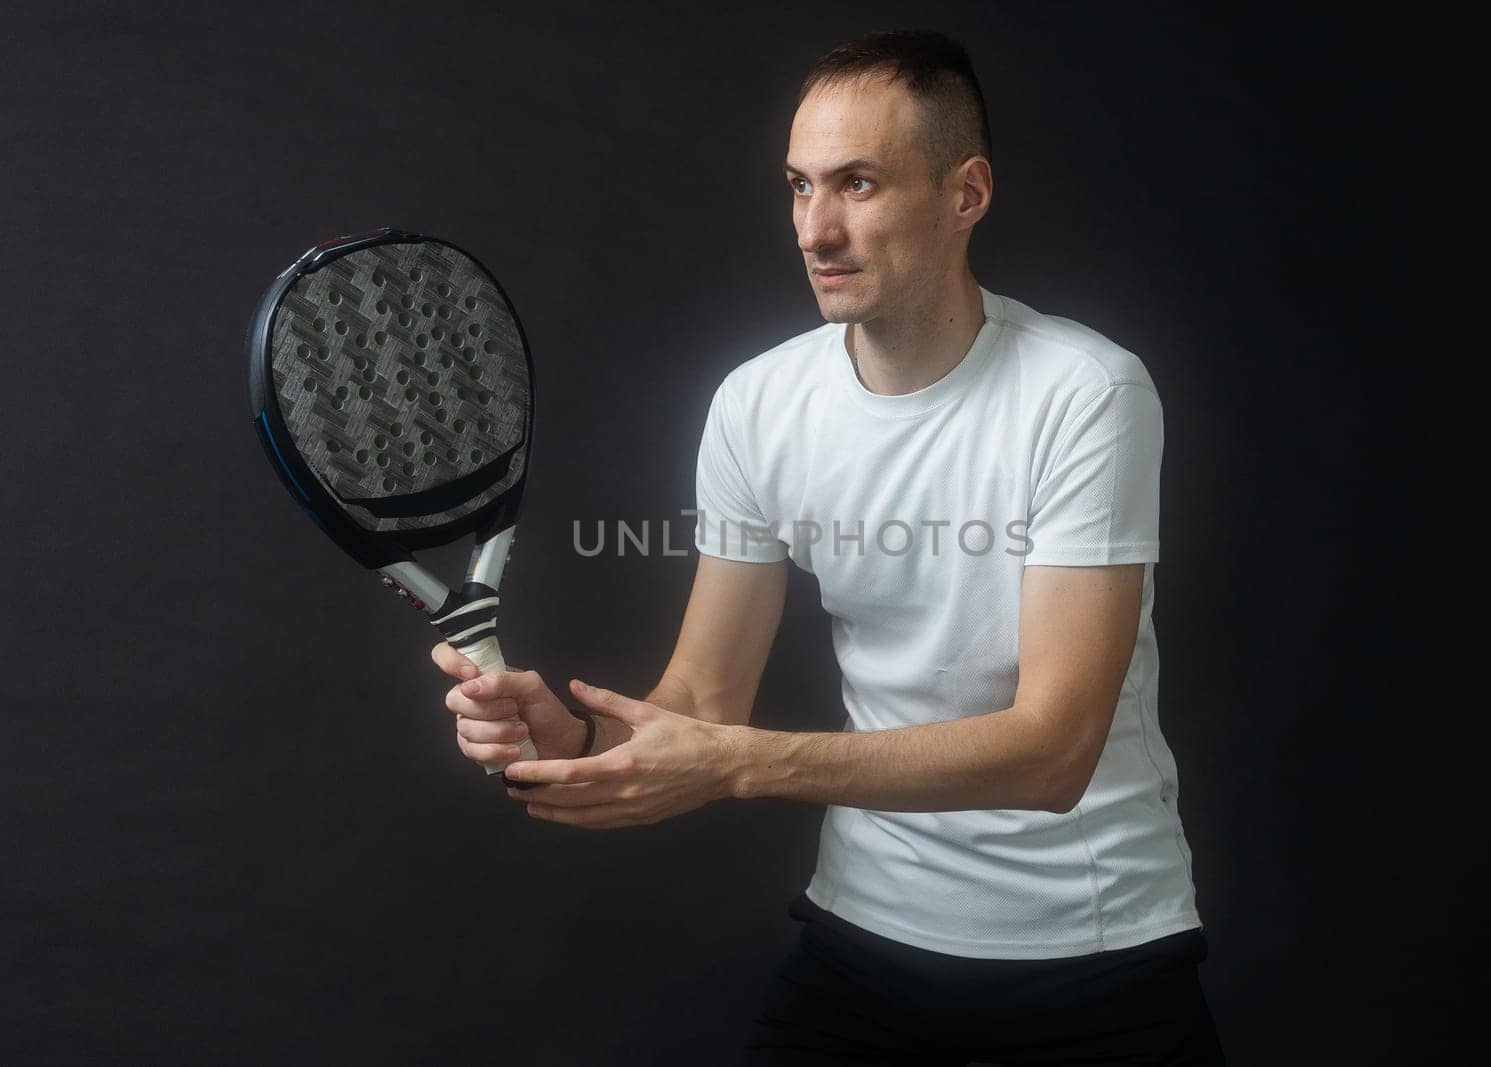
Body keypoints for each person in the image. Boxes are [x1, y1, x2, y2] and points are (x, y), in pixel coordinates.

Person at [432, 28, 1225, 1066]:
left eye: (858, 183)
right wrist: (571, 744)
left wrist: (736, 765)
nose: (817, 227)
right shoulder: (760, 402)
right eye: (800, 186)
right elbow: (705, 702)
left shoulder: (1084, 391)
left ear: (965, 193)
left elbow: (1053, 750)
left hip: (1091, 951)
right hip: (863, 936)